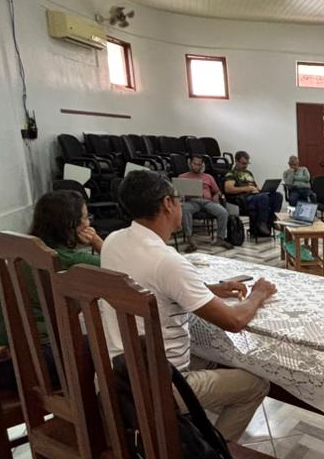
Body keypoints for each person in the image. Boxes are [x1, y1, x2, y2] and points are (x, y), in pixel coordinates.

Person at [102, 170, 277, 439]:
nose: (181, 205)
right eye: (178, 199)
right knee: (256, 384)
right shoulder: (167, 261)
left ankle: (191, 429)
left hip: (121, 370)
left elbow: (152, 286)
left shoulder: (113, 241)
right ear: (167, 204)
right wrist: (259, 294)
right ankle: (217, 455)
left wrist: (210, 290)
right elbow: (234, 321)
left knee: (212, 351)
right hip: (162, 383)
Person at [0, 190, 103, 391]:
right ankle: (89, 407)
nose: (89, 223)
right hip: (17, 366)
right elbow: (119, 267)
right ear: (70, 225)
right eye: (85, 218)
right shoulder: (65, 258)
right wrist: (97, 242)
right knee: (107, 345)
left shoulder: (28, 247)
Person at [222, 151, 282, 238]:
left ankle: (272, 220)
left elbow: (254, 186)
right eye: (243, 163)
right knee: (263, 197)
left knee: (277, 196)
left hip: (256, 196)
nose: (245, 165)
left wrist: (260, 189)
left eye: (247, 163)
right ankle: (261, 222)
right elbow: (228, 189)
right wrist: (247, 189)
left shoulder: (248, 173)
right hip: (244, 199)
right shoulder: (231, 174)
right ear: (236, 161)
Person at [177, 155, 231, 253]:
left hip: (207, 201)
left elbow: (218, 191)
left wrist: (216, 195)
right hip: (191, 201)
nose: (197, 166)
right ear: (190, 164)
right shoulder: (182, 177)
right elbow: (177, 194)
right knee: (185, 209)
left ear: (202, 165)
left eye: (199, 164)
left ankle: (220, 238)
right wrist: (183, 195)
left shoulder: (208, 177)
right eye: (195, 164)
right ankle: (190, 240)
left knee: (223, 212)